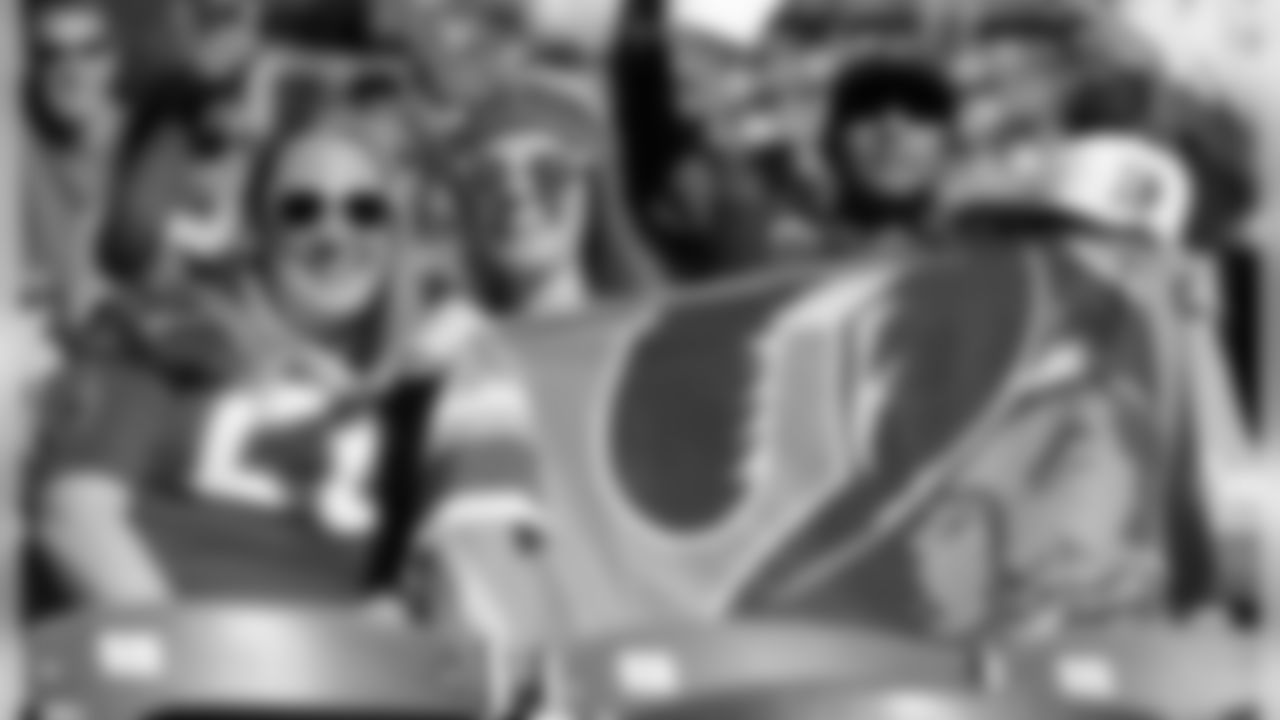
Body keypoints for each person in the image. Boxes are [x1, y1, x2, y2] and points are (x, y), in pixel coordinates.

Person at [417, 129, 1248, 706]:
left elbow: (1247, 579)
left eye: (1122, 257)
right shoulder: (882, 372)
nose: (1081, 282)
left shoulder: (1190, 402)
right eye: (1044, 247)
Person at [31, 116, 449, 610]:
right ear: (257, 229)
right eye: (301, 209)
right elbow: (77, 519)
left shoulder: (415, 399)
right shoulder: (163, 330)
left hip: (338, 655)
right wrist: (188, 649)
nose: (334, 233)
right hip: (162, 645)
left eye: (364, 209)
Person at [456, 88, 661, 318]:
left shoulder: (665, 331)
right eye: (487, 178)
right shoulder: (444, 340)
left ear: (593, 191)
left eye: (547, 173)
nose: (514, 192)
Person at [23, 0, 123, 328]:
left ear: (113, 60)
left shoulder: (148, 152)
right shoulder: (25, 158)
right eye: (52, 55)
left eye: (89, 51)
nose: (71, 70)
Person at [820, 55, 960, 253]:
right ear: (831, 142)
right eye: (866, 109)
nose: (892, 131)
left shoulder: (992, 255)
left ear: (952, 145)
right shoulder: (783, 259)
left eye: (919, 111)